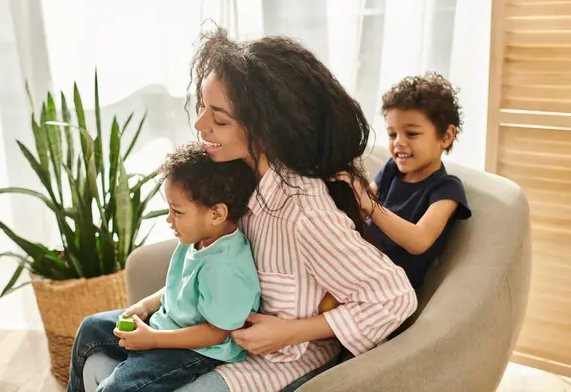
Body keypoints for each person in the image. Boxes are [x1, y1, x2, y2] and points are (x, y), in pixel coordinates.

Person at [83, 27, 418, 392]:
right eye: (201, 108)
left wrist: (291, 331)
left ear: (267, 130)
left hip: (275, 360)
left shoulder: (304, 213)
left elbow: (393, 297)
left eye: (219, 118)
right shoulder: (231, 179)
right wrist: (152, 303)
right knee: (92, 337)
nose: (199, 125)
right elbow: (209, 271)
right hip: (212, 333)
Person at [67, 143, 261, 391]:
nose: (169, 220)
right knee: (91, 327)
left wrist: (154, 339)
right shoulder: (195, 239)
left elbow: (216, 333)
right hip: (165, 324)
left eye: (177, 211)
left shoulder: (227, 267)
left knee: (118, 387)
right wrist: (146, 305)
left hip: (197, 350)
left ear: (216, 214)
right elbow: (177, 287)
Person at [334, 73, 472, 289]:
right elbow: (358, 210)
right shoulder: (392, 169)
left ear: (446, 136)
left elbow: (419, 240)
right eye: (392, 135)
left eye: (412, 133)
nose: (399, 143)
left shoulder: (447, 189)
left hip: (390, 287)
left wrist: (370, 205)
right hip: (359, 263)